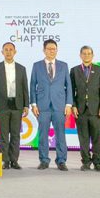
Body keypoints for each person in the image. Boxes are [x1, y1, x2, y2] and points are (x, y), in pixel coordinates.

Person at [30, 39, 72, 171]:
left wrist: (69, 104)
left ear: (57, 50)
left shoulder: (63, 66)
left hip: (60, 105)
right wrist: (33, 104)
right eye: (49, 49)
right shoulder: (37, 65)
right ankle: (44, 160)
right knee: (43, 135)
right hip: (42, 106)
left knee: (60, 135)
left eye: (54, 49)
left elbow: (68, 86)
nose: (51, 51)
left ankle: (61, 161)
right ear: (44, 50)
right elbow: (32, 85)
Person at [70, 46, 100, 172]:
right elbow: (71, 91)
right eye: (84, 53)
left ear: (92, 55)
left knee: (97, 137)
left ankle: (98, 162)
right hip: (80, 110)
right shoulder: (74, 70)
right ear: (80, 55)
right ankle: (86, 162)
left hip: (96, 110)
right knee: (83, 138)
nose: (86, 55)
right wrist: (73, 106)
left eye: (89, 53)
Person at [0, 42, 29, 170]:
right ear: (2, 52)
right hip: (2, 105)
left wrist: (26, 105)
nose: (8, 52)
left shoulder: (21, 68)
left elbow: (25, 87)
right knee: (3, 135)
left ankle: (14, 160)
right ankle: (5, 161)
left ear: (15, 52)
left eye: (11, 49)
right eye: (6, 50)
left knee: (15, 134)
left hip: (17, 104)